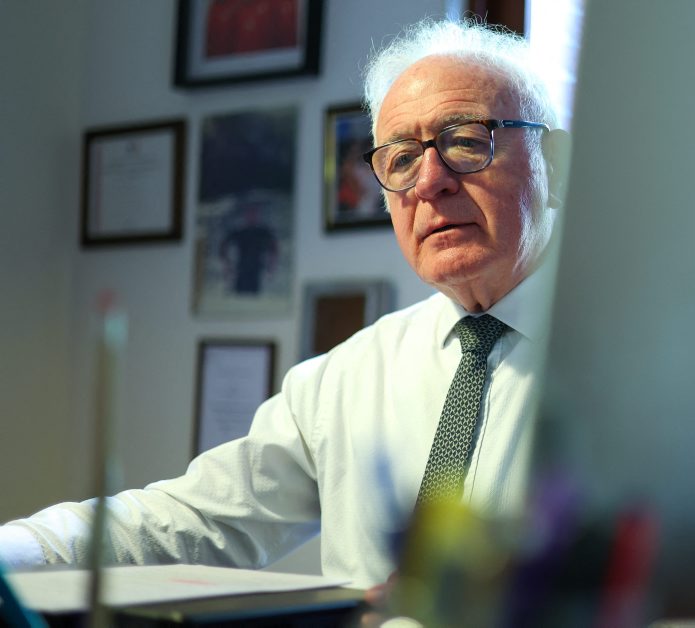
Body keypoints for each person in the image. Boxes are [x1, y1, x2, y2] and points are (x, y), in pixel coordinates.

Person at [0, 18, 568, 592]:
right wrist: (13, 553)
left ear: (556, 164)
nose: (429, 182)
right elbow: (194, 521)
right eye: (401, 159)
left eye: (466, 141)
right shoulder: (343, 378)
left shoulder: (618, 374)